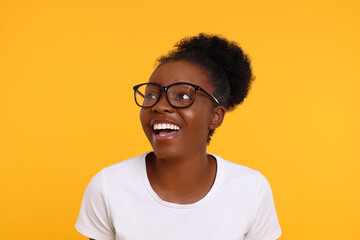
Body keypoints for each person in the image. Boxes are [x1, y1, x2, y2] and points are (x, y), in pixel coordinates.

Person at [75, 33, 282, 240]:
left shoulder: (251, 189)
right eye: (151, 95)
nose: (160, 106)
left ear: (215, 116)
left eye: (182, 96)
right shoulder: (109, 186)